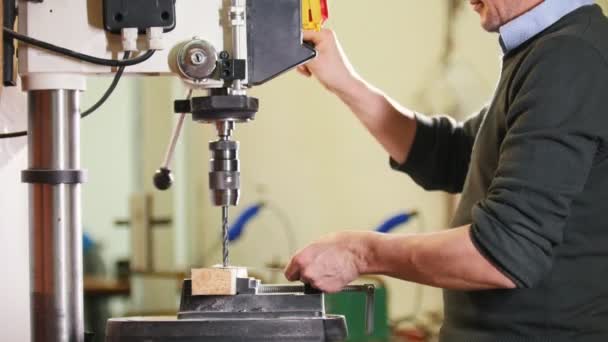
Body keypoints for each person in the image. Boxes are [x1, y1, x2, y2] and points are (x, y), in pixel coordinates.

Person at [285, 0, 608, 340]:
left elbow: (503, 251)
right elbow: (455, 157)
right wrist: (344, 82)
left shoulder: (569, 57)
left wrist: (360, 252)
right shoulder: (546, 49)